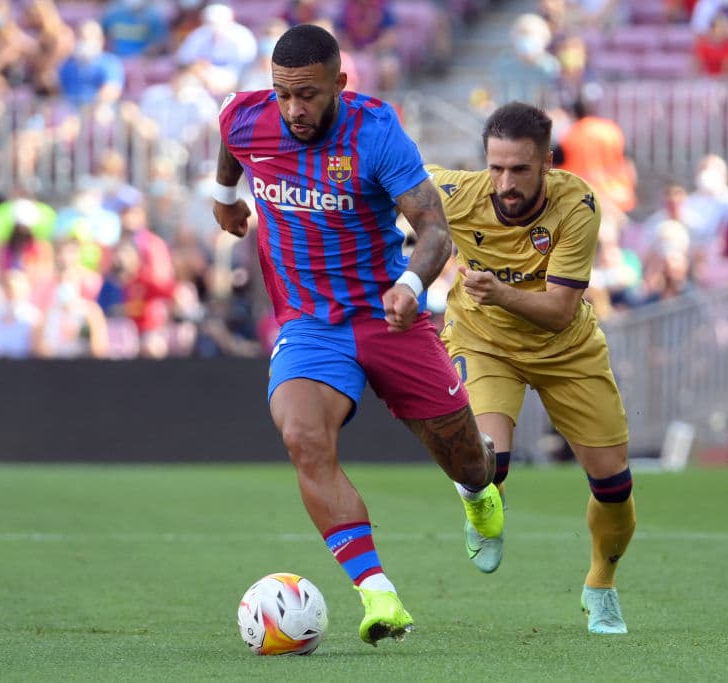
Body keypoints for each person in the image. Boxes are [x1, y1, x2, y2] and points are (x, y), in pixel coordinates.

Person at [212, 24, 499, 646]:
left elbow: (435, 231)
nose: (294, 110)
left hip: (387, 313)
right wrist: (224, 197)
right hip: (310, 323)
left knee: (468, 457)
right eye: (284, 94)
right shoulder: (247, 116)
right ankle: (379, 595)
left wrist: (412, 287)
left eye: (308, 95)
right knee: (302, 436)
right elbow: (231, 142)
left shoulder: (375, 131)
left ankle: (476, 491)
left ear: (340, 83)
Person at [425, 102, 636, 635]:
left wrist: (497, 290)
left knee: (614, 487)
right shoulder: (454, 192)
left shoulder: (578, 205)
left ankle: (600, 586)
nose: (504, 182)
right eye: (495, 167)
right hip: (484, 338)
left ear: (547, 163)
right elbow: (382, 175)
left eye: (519, 169)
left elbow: (560, 310)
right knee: (488, 462)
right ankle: (480, 505)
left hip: (567, 347)